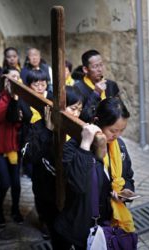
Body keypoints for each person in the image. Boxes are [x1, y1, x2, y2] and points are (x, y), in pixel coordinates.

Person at [54, 97, 135, 249]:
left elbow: (128, 176)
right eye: (113, 130)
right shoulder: (74, 147)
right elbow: (77, 184)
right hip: (82, 224)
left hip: (110, 220)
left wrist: (125, 191)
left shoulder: (119, 147)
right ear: (98, 121)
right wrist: (85, 145)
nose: (117, 135)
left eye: (121, 130)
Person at [22, 86, 83, 244]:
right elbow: (29, 157)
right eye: (73, 108)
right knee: (55, 231)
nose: (76, 114)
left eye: (79, 109)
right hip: (46, 193)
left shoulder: (79, 131)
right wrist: (47, 131)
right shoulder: (38, 127)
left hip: (70, 195)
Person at [0, 68, 24, 227]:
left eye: (17, 77)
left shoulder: (21, 97)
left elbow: (21, 121)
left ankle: (15, 210)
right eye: (11, 77)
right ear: (4, 80)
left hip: (13, 146)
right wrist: (9, 98)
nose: (15, 80)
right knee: (5, 182)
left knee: (16, 183)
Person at [74, 49, 120, 122]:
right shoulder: (78, 88)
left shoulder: (111, 85)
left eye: (101, 65)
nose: (100, 69)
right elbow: (83, 117)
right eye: (95, 66)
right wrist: (96, 93)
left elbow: (119, 110)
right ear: (85, 69)